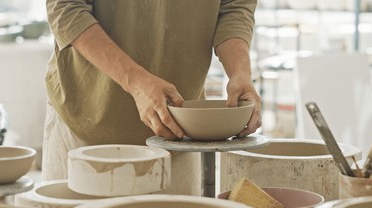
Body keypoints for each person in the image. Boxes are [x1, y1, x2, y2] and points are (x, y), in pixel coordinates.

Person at [42, 0, 262, 195]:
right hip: (87, 121)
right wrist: (136, 83)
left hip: (178, 129)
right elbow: (66, 9)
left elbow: (234, 7)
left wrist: (240, 72)